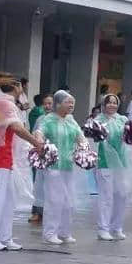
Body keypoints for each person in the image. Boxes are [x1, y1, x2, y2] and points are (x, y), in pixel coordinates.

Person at [0, 77, 43, 251]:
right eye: (22, 85)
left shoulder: (7, 103)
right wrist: (35, 142)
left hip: (7, 157)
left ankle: (4, 236)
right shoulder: (5, 104)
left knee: (8, 199)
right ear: (16, 87)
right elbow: (17, 128)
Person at [34, 90, 86, 245]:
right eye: (67, 102)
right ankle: (50, 233)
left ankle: (65, 232)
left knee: (68, 200)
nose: (71, 105)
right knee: (54, 200)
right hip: (53, 166)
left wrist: (83, 147)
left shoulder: (71, 121)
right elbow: (39, 133)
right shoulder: (48, 120)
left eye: (72, 103)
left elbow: (80, 137)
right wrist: (39, 141)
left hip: (68, 166)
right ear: (58, 104)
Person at [94, 94, 130, 241]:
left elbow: (131, 138)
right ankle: (103, 228)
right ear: (103, 104)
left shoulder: (123, 120)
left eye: (115, 103)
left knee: (122, 195)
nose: (112, 105)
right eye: (109, 103)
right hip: (105, 163)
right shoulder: (97, 121)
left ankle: (117, 227)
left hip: (121, 162)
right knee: (106, 196)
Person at [29, 93, 53, 223]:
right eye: (46, 104)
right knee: (39, 184)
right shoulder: (40, 119)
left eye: (50, 103)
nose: (48, 106)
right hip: (42, 155)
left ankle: (51, 212)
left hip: (55, 158)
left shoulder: (61, 119)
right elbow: (34, 135)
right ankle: (37, 212)